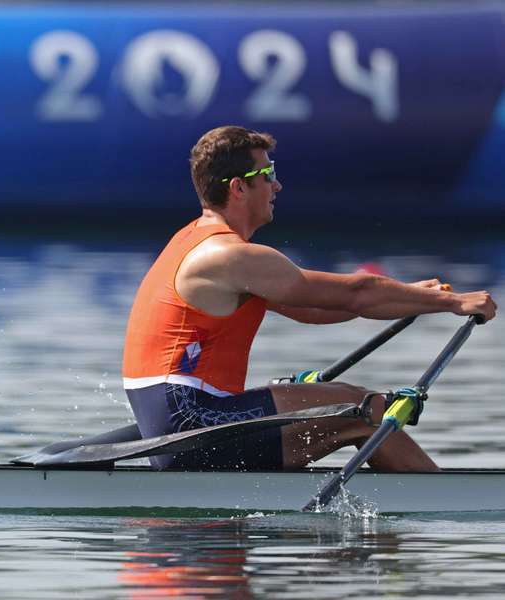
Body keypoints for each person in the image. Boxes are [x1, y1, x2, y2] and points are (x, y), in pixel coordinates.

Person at [122, 126, 496, 472]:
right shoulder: (230, 255)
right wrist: (455, 303)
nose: (278, 185)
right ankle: (450, 503)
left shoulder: (191, 241)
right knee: (363, 410)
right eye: (267, 175)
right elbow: (356, 294)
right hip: (193, 422)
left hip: (175, 421)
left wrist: (414, 297)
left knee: (355, 406)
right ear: (238, 188)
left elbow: (316, 307)